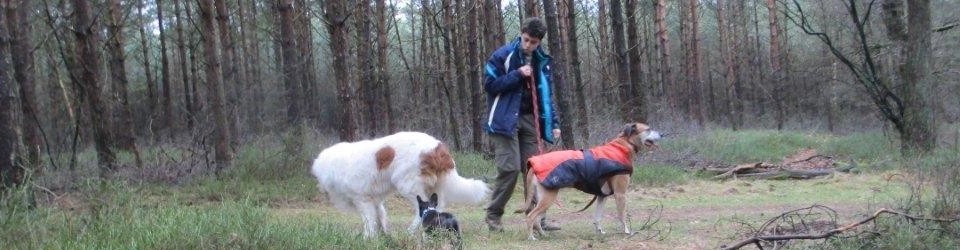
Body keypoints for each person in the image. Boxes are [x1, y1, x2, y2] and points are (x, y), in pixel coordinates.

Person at [482, 17, 562, 232]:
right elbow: (490, 85)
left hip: (531, 120)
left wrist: (553, 122)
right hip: (503, 120)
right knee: (509, 169)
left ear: (539, 42)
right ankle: (493, 216)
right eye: (526, 40)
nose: (528, 45)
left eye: (533, 42)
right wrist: (517, 74)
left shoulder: (542, 61)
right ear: (521, 34)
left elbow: (546, 94)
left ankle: (536, 219)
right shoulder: (502, 56)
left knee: (534, 171)